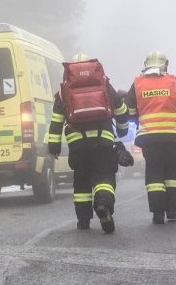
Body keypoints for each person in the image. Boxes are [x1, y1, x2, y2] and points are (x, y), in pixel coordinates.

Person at [48, 54, 129, 233]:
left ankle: (83, 221)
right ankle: (103, 205)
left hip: (78, 144)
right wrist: (122, 130)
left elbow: (56, 121)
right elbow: (120, 109)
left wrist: (54, 147)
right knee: (104, 176)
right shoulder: (104, 84)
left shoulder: (63, 90)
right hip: (103, 140)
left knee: (82, 181)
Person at [124, 50, 176, 225]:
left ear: (146, 65)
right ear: (165, 64)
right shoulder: (175, 83)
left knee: (154, 173)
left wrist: (139, 117)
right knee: (173, 172)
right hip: (172, 138)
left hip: (150, 139)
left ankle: (158, 214)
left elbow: (129, 111)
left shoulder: (137, 85)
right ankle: (172, 211)